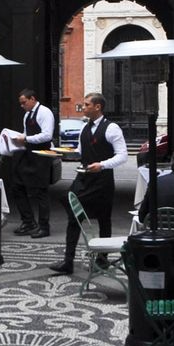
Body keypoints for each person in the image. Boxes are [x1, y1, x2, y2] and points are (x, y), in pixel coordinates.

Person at [50, 92, 128, 275]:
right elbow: (80, 151)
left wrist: (102, 165)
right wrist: (60, 151)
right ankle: (68, 261)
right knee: (73, 214)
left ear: (97, 107)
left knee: (104, 219)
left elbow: (122, 155)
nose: (83, 107)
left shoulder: (112, 128)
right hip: (83, 178)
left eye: (86, 105)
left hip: (102, 180)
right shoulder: (85, 128)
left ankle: (102, 259)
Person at [10, 88, 55, 238]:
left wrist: (26, 139)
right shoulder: (27, 115)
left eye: (24, 103)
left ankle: (44, 227)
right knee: (17, 185)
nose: (22, 106)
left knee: (41, 191)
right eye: (21, 104)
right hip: (28, 153)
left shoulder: (45, 113)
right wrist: (16, 139)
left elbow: (47, 135)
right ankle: (28, 221)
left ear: (32, 99)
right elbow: (26, 133)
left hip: (42, 155)